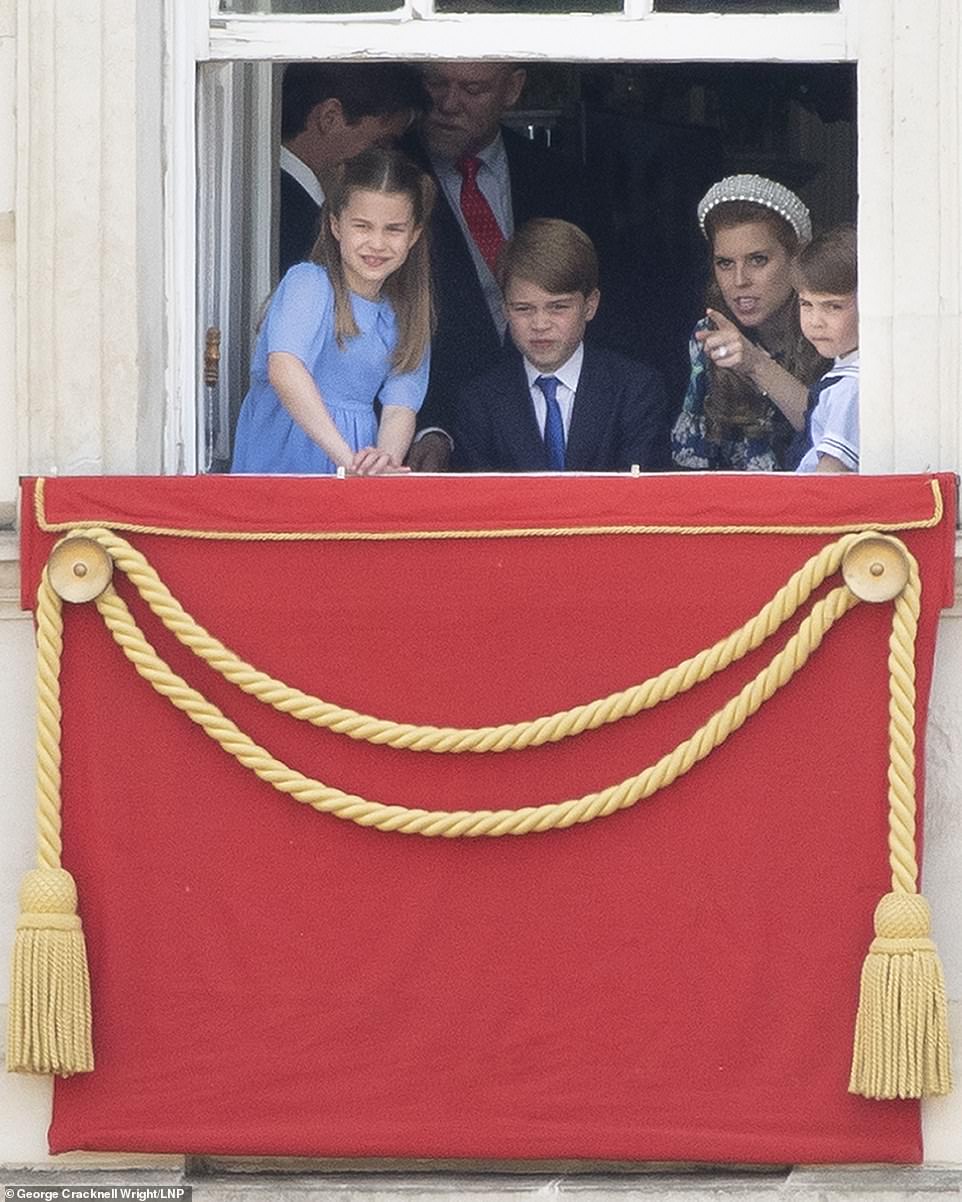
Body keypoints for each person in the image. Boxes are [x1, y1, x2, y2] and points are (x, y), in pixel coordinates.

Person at [404, 62, 586, 472]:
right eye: (436, 83)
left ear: (513, 88)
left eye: (473, 88)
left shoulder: (561, 177)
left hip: (554, 426)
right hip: (436, 437)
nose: (449, 103)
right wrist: (429, 426)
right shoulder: (391, 178)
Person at [232, 148, 435, 476]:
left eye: (393, 229)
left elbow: (400, 408)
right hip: (287, 465)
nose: (377, 243)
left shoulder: (405, 313)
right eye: (363, 226)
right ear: (336, 225)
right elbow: (285, 370)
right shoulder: (308, 284)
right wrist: (347, 461)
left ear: (413, 235)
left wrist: (381, 463)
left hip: (353, 470)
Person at [452, 218, 667, 473]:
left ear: (590, 305)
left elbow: (642, 496)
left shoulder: (635, 390)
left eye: (558, 307)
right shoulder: (478, 403)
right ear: (505, 311)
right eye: (523, 309)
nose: (540, 324)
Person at [671, 174, 830, 472]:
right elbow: (693, 464)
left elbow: (833, 436)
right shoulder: (709, 335)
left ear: (796, 259)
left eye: (758, 260)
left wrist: (756, 365)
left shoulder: (830, 329)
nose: (739, 280)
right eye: (725, 263)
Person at [279, 64, 428, 276]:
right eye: (381, 143)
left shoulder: (269, 193)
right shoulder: (294, 217)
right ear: (329, 118)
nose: (384, 161)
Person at [791, 224, 859, 474]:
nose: (815, 321)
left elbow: (831, 473)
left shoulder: (851, 387)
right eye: (806, 304)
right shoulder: (845, 371)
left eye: (833, 307)